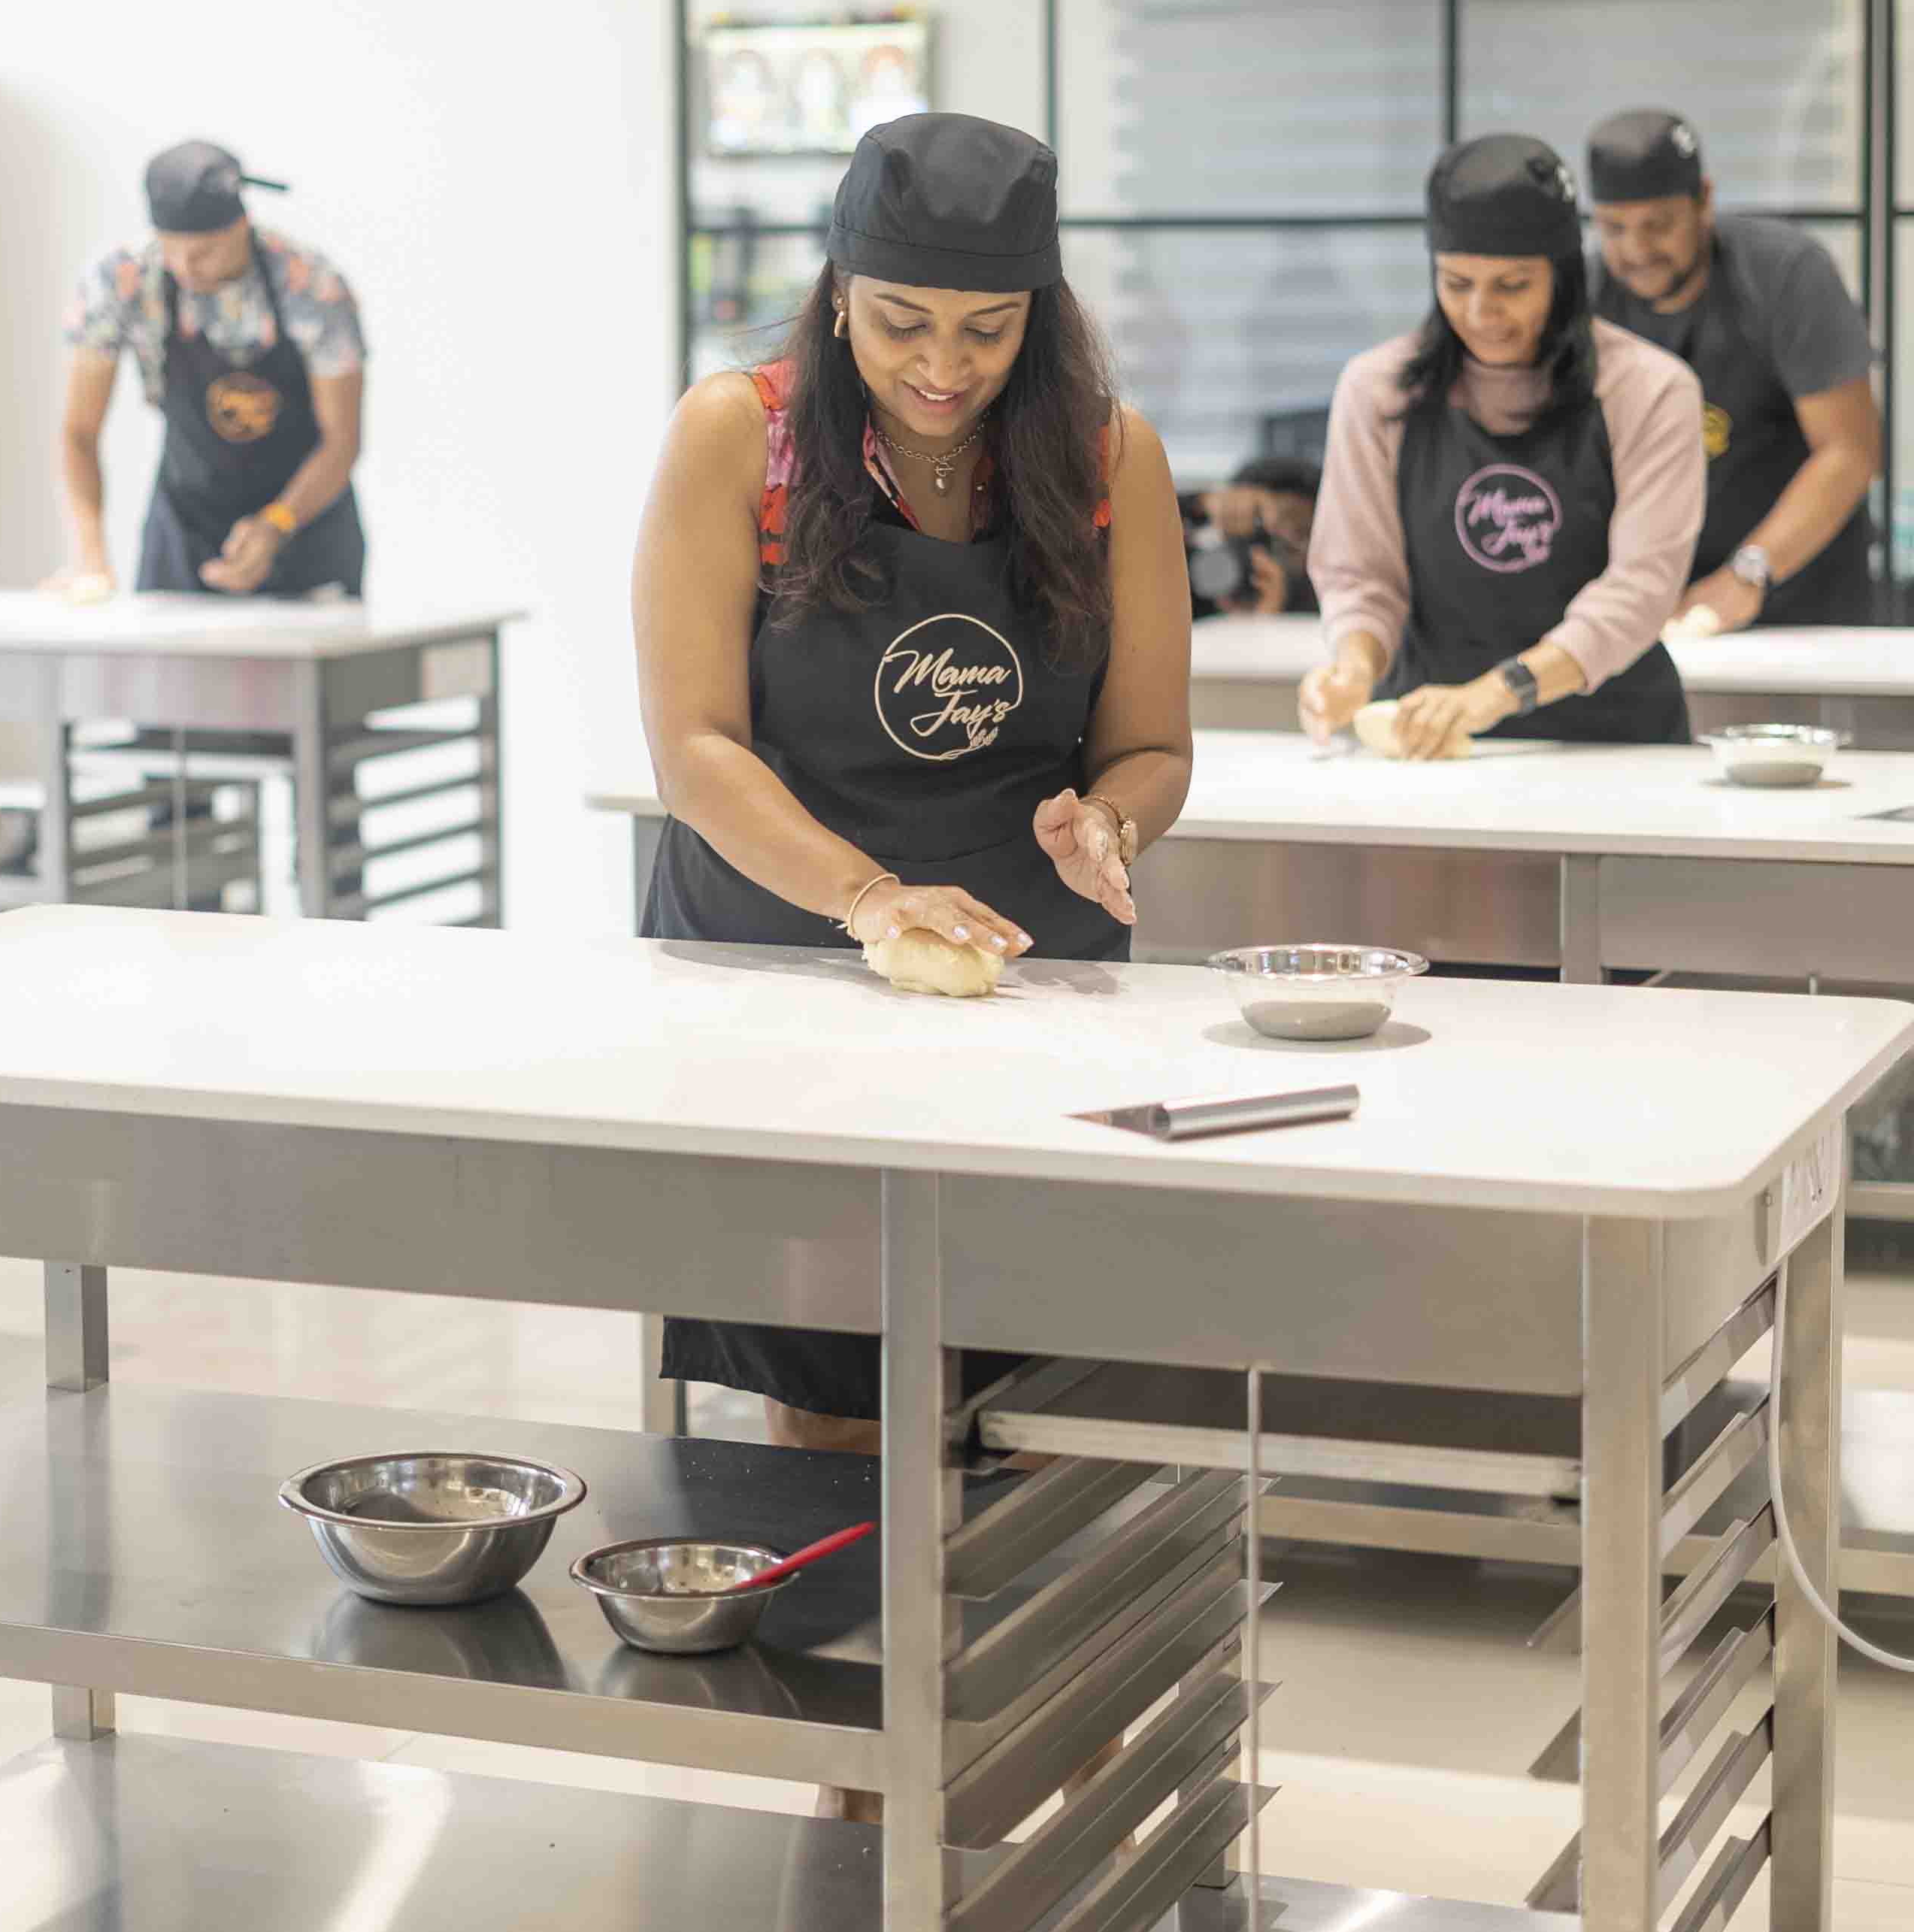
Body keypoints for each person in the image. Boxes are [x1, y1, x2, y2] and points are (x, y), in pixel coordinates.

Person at [634, 110, 1193, 1446]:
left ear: (1038, 318)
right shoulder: (740, 435)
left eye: (987, 331)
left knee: (1033, 1390)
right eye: (900, 323)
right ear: (838, 296)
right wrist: (871, 899)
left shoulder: (1110, 460)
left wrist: (1110, 823)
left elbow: (1152, 747)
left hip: (1026, 976)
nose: (942, 368)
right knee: (838, 1397)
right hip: (788, 960)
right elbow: (695, 749)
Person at [1301, 133, 1705, 757]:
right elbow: (1361, 574)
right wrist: (1353, 670)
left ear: (1562, 276)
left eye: (1512, 285)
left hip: (1614, 746)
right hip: (1427, 740)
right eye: (1456, 283)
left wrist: (1493, 694)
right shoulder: (1377, 390)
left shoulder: (1650, 390)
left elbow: (1641, 588)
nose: (1481, 312)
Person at [1587, 108, 1880, 629]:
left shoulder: (1785, 275)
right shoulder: (1585, 297)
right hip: (1649, 602)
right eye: (1615, 228)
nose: (1637, 250)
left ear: (1704, 201)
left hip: (1800, 597)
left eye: (1659, 225)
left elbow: (1849, 452)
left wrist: (1749, 573)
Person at [56, 142, 367, 599]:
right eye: (171, 249)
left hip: (306, 532)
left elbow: (342, 441)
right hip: (185, 530)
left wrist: (276, 525)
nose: (185, 267)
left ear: (240, 225)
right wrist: (91, 558)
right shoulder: (121, 283)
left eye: (204, 252)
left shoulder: (312, 286)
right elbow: (79, 433)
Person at [1181, 454, 1320, 617]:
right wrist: (1200, 505)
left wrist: (1269, 622)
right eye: (1260, 529)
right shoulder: (1195, 572)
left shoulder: (1323, 598)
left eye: (1302, 531)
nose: (1287, 535)